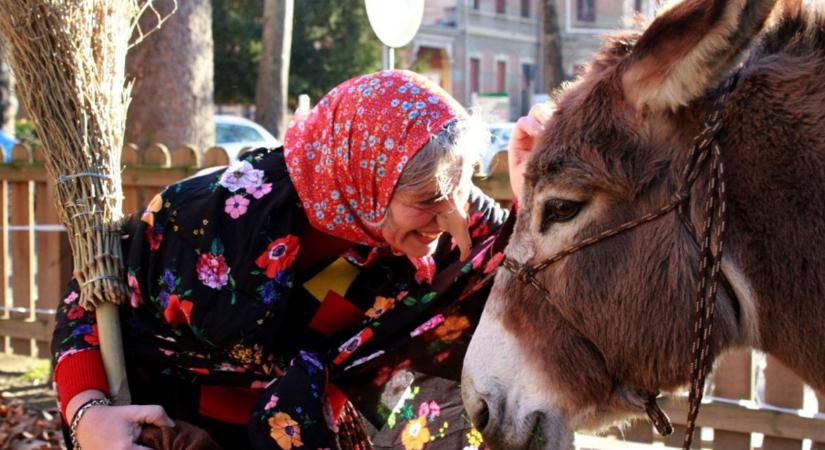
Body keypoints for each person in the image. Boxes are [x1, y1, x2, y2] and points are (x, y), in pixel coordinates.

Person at [51, 70, 550, 450]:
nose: (450, 218)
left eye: (459, 191)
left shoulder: (449, 219)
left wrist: (534, 192)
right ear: (362, 180)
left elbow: (521, 262)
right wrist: (88, 413)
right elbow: (90, 295)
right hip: (177, 429)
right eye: (427, 199)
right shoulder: (207, 217)